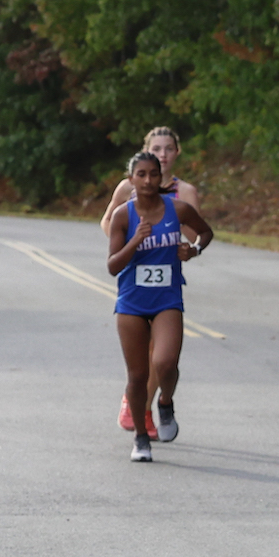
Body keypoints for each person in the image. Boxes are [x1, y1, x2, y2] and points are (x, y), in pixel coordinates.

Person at [106, 150, 213, 463]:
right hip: (132, 303)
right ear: (131, 179)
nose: (148, 180)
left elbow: (206, 232)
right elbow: (113, 266)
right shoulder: (123, 216)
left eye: (153, 174)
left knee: (166, 363)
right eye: (141, 175)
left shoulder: (176, 209)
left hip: (167, 298)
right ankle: (141, 437)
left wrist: (192, 250)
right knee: (137, 376)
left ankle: (165, 402)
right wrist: (135, 241)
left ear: (160, 177)